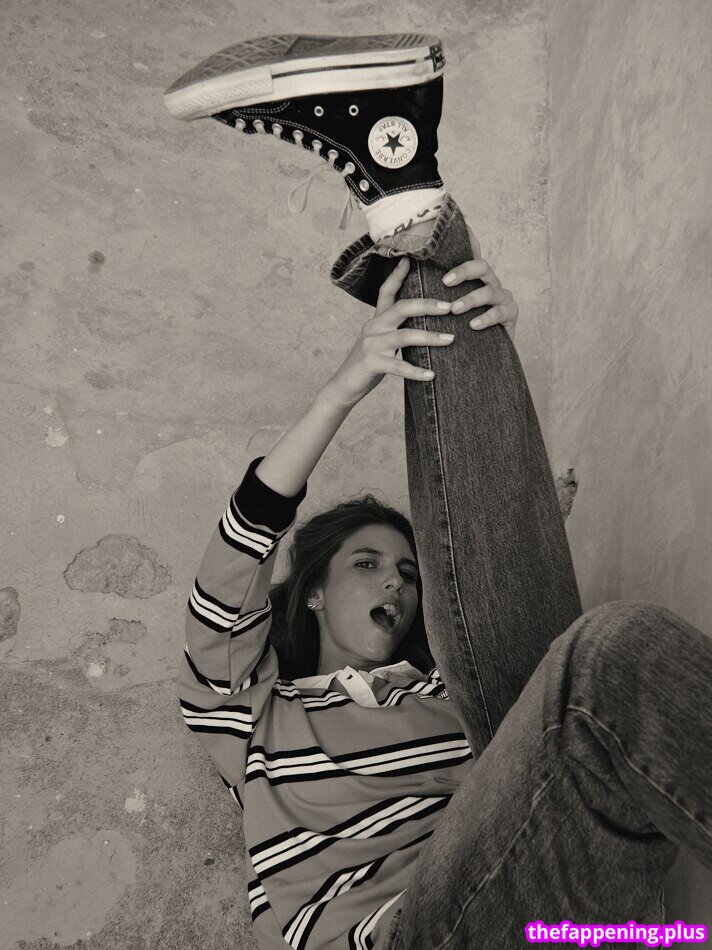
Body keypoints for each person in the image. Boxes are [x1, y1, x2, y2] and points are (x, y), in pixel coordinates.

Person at [167, 34, 712, 949]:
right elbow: (232, 570)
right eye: (367, 563)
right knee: (603, 657)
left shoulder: (446, 694)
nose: (397, 579)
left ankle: (408, 195)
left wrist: (482, 354)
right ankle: (416, 219)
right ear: (309, 591)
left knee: (603, 660)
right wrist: (343, 390)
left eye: (409, 570)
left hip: (557, 916)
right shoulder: (255, 718)